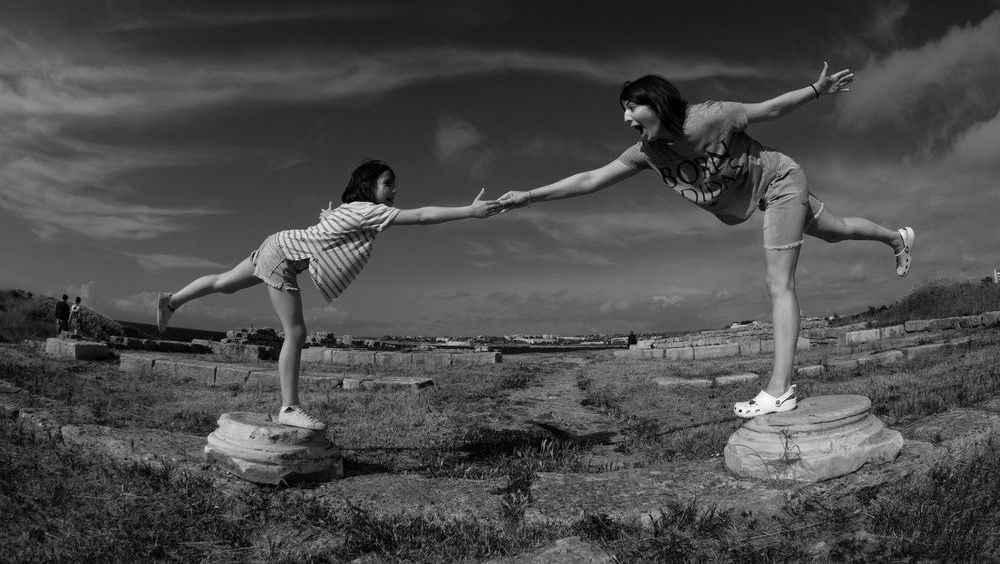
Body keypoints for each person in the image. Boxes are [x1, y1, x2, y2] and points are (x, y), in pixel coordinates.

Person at [496, 63, 915, 418]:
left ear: (656, 103)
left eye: (632, 107)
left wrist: (816, 90)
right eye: (623, 110)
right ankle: (897, 238)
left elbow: (770, 108)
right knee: (837, 231)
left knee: (778, 282)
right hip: (764, 197)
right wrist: (530, 196)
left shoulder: (710, 117)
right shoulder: (648, 153)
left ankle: (780, 389)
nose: (626, 119)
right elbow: (590, 179)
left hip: (781, 181)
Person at [156, 159, 502, 430]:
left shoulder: (351, 210)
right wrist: (469, 212)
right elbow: (423, 216)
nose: (395, 190)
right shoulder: (369, 211)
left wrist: (327, 216)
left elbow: (330, 223)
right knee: (296, 332)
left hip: (278, 243)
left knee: (225, 283)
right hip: (283, 257)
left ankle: (172, 301)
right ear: (369, 186)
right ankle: (289, 407)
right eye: (388, 183)